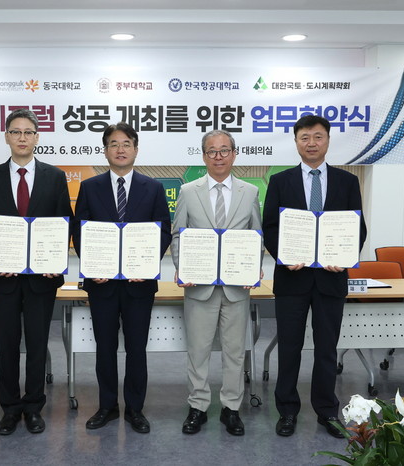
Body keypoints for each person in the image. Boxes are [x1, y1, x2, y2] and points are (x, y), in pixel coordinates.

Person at [262, 114, 367, 439]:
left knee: (326, 349)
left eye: (318, 137)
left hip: (330, 280)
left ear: (328, 140)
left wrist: (344, 258)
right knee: (289, 347)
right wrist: (284, 256)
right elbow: (270, 227)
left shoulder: (347, 181)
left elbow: (357, 227)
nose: (311, 143)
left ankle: (327, 412)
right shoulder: (280, 181)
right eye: (304, 137)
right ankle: (287, 411)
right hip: (292, 279)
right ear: (296, 142)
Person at [0, 108, 72, 435]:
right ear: (6, 137)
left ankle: (33, 407)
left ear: (36, 137)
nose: (22, 138)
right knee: (6, 345)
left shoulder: (54, 177)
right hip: (3, 279)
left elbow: (63, 223)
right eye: (15, 132)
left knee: (37, 343)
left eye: (28, 132)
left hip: (41, 280)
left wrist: (54, 261)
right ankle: (9, 408)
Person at [72, 122, 171, 434]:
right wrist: (92, 266)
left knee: (136, 348)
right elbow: (80, 231)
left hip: (139, 284)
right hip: (101, 284)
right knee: (105, 347)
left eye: (126, 143)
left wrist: (145, 265)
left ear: (136, 150)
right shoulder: (90, 187)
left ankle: (135, 409)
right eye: (113, 144)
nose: (120, 149)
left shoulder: (153, 188)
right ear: (105, 151)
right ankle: (107, 406)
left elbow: (163, 231)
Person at [170, 129, 262, 436]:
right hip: (199, 287)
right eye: (212, 151)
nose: (218, 156)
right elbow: (178, 234)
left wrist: (254, 267)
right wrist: (182, 267)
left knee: (235, 352)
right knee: (198, 351)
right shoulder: (188, 191)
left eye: (224, 150)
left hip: (237, 288)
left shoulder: (250, 192)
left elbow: (256, 235)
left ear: (234, 154)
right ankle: (197, 406)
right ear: (204, 156)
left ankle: (231, 408)